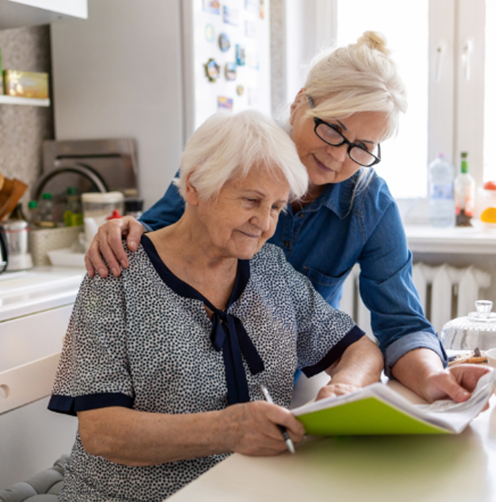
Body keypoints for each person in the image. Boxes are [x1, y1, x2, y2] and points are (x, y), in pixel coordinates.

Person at [84, 31, 489, 405]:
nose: (338, 156)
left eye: (362, 147)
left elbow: (401, 325)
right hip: (185, 387)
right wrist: (122, 230)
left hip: (283, 387)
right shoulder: (233, 155)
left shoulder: (370, 204)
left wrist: (435, 377)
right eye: (333, 129)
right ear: (299, 103)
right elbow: (156, 237)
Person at [49, 111, 385, 501]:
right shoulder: (118, 272)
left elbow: (361, 350)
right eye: (251, 200)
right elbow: (101, 432)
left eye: (277, 207)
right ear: (194, 187)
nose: (263, 223)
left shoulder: (270, 269)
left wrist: (342, 388)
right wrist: (224, 430)